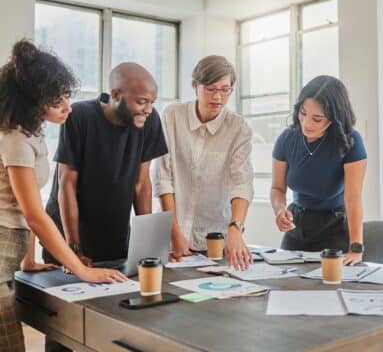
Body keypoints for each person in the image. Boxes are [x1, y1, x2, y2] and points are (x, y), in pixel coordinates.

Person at [0, 39, 126, 352]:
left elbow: (18, 201)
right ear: (33, 102)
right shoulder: (14, 136)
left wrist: (29, 259)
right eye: (58, 102)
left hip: (10, 248)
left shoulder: (31, 131)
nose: (68, 107)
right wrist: (83, 270)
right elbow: (33, 215)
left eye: (67, 96)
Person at [43, 62, 168, 265]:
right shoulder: (79, 116)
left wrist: (147, 247)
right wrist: (73, 248)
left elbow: (141, 184)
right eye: (142, 102)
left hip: (114, 237)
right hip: (68, 236)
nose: (148, 110)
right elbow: (67, 184)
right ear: (116, 95)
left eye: (152, 102)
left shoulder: (150, 120)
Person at [153, 55, 254, 271]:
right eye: (210, 89)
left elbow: (242, 182)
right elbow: (163, 179)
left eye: (225, 89)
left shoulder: (238, 128)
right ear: (195, 86)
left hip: (215, 240)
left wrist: (235, 228)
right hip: (173, 239)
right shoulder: (172, 116)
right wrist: (175, 234)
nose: (218, 97)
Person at [270, 75, 367, 265]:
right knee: (287, 286)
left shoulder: (351, 141)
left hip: (334, 228)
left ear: (334, 118)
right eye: (303, 113)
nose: (306, 124)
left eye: (317, 119)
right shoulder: (287, 139)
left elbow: (353, 198)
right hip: (296, 226)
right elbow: (277, 189)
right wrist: (279, 209)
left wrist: (356, 248)